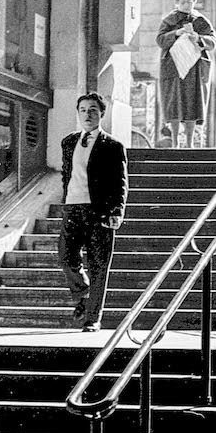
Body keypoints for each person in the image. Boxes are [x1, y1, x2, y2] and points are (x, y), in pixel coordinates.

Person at [58, 92, 128, 332]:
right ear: (78, 113)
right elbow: (66, 173)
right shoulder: (68, 142)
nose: (87, 115)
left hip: (99, 213)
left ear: (101, 114)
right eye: (83, 110)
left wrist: (117, 211)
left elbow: (120, 181)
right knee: (67, 258)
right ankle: (82, 294)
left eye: (93, 111)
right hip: (73, 208)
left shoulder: (113, 146)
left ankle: (93, 318)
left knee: (98, 266)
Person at [156, 0, 216, 148]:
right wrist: (177, 33)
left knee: (192, 102)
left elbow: (213, 42)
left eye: (190, 3)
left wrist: (197, 37)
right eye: (183, 2)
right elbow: (160, 40)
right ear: (177, 2)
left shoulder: (201, 20)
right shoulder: (169, 20)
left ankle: (190, 142)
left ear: (194, 2)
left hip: (195, 69)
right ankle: (175, 141)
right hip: (173, 68)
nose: (186, 6)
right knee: (174, 102)